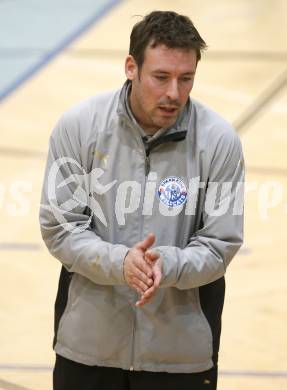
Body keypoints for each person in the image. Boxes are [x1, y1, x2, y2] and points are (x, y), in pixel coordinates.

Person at [39, 10, 244, 390]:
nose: (174, 93)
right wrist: (122, 263)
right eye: (161, 77)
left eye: (186, 79)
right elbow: (61, 228)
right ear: (131, 67)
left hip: (180, 359)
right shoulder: (80, 126)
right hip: (89, 349)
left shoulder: (218, 141)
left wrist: (169, 263)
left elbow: (221, 244)